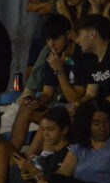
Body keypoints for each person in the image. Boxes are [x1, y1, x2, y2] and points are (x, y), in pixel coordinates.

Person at [10, 15, 86, 151]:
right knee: (26, 108)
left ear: (68, 35)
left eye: (55, 38)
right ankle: (11, 155)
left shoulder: (81, 55)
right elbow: (47, 94)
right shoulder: (52, 55)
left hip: (76, 112)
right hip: (58, 109)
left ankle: (30, 160)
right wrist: (37, 101)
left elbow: (75, 98)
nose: (51, 44)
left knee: (49, 120)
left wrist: (59, 70)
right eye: (48, 39)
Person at [74, 15, 110, 105]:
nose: (77, 41)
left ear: (93, 34)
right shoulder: (91, 58)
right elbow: (90, 94)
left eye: (80, 35)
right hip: (106, 108)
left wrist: (95, 106)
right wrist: (80, 106)